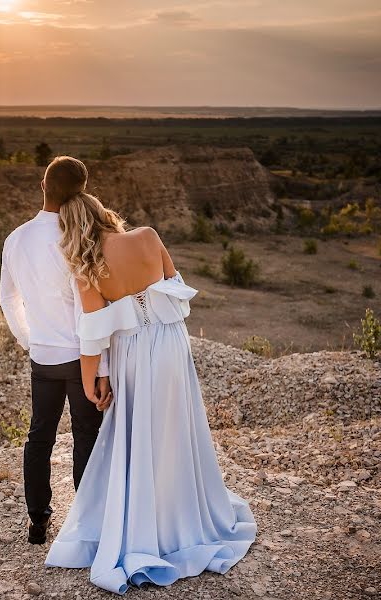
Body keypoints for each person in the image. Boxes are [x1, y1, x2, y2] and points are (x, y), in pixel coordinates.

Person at [42, 157, 257, 594]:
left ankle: (145, 522)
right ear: (106, 214)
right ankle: (183, 515)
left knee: (139, 436)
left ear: (72, 228)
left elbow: (93, 335)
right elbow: (177, 290)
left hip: (133, 353)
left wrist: (91, 382)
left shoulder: (84, 265)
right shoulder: (148, 236)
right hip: (173, 344)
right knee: (175, 430)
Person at [0, 156, 114, 545]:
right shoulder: (76, 238)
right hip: (81, 355)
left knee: (40, 435)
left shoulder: (15, 239)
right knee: (86, 436)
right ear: (81, 192)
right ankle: (87, 524)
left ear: (42, 185)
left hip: (42, 357)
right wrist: (103, 366)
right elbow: (89, 310)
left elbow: (7, 298)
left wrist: (29, 339)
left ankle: (37, 521)